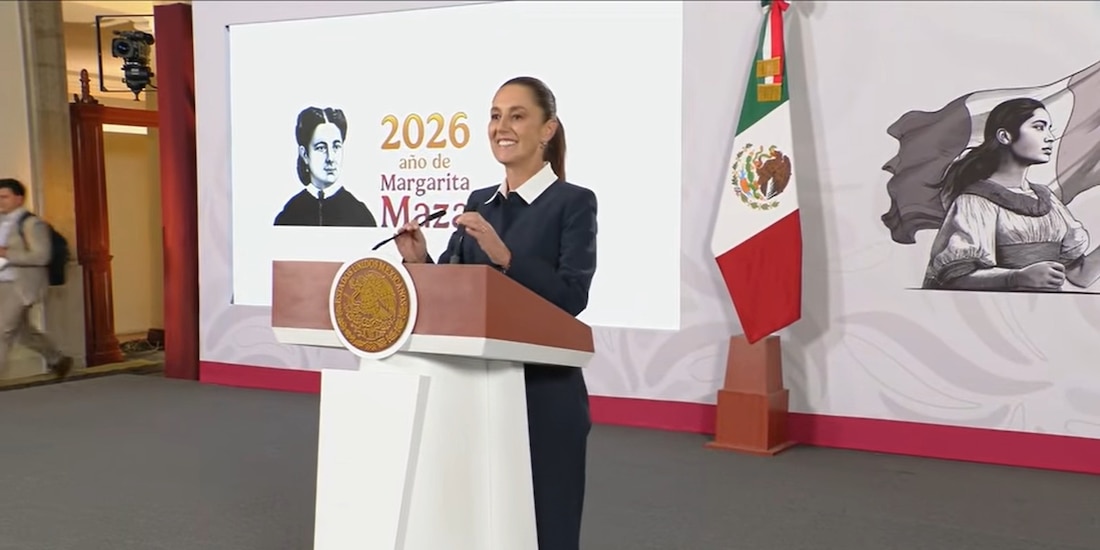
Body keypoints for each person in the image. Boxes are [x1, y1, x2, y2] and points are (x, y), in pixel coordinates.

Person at [394, 76, 596, 550]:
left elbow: (572, 298)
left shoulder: (574, 203)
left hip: (543, 395)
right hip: (474, 393)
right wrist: (419, 261)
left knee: (548, 528)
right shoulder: (478, 203)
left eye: (517, 115)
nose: (501, 126)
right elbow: (452, 292)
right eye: (494, 115)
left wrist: (505, 257)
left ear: (548, 130)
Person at [923, 97, 1100, 291]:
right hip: (997, 313)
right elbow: (954, 278)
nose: (1049, 137)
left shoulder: (1047, 200)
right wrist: (1016, 278)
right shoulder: (975, 201)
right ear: (1005, 136)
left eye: (1049, 129)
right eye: (1039, 127)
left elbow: (1080, 275)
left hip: (1047, 313)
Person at [0, 178, 72, 377]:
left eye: (4, 197)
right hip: (3, 282)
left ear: (19, 198)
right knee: (22, 332)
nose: (0, 201)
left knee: (3, 330)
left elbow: (41, 256)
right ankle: (56, 358)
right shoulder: (2, 222)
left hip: (20, 284)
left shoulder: (32, 224)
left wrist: (7, 253)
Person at [274, 106, 378, 227]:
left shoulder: (360, 215)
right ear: (305, 154)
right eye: (321, 148)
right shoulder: (289, 215)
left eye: (336, 147)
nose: (330, 158)